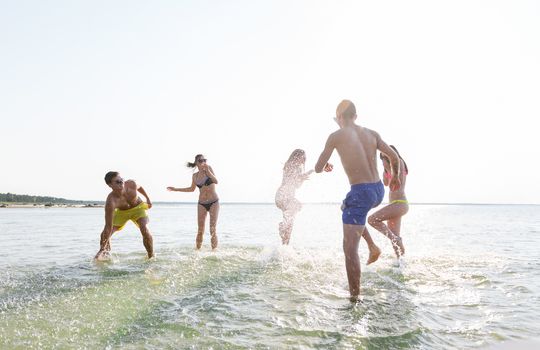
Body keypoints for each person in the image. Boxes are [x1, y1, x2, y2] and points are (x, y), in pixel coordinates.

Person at [314, 99, 403, 299]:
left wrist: (327, 165)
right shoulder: (372, 134)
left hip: (360, 192)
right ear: (355, 116)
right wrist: (395, 176)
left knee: (349, 249)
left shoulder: (335, 136)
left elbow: (319, 167)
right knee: (348, 209)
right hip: (377, 190)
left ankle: (354, 299)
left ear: (339, 118)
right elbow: (394, 157)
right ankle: (372, 247)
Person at [94, 171, 154, 261]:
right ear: (110, 185)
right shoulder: (111, 201)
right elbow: (108, 226)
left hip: (138, 208)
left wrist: (148, 199)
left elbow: (140, 187)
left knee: (144, 228)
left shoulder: (132, 184)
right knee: (104, 235)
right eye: (117, 182)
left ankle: (151, 256)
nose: (121, 183)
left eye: (121, 180)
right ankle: (104, 254)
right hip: (122, 213)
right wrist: (102, 247)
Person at [167, 154, 220, 250]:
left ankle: (214, 252)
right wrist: (176, 189)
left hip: (214, 202)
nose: (203, 162)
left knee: (212, 229)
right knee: (200, 230)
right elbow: (191, 189)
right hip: (202, 203)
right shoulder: (195, 176)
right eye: (200, 160)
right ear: (196, 163)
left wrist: (208, 171)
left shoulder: (209, 169)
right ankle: (197, 251)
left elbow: (216, 181)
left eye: (204, 160)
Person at [368, 145, 409, 257]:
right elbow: (386, 183)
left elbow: (396, 175)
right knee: (395, 240)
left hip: (400, 203)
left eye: (385, 155)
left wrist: (389, 165)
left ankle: (395, 239)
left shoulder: (399, 162)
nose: (384, 158)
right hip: (394, 205)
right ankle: (400, 263)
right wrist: (385, 169)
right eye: (382, 157)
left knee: (372, 220)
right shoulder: (389, 168)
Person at [275, 149, 314, 245]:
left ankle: (284, 247)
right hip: (284, 195)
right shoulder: (291, 166)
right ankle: (282, 227)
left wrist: (302, 178)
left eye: (304, 158)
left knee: (290, 224)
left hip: (284, 196)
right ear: (296, 156)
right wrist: (302, 176)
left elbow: (296, 185)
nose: (304, 160)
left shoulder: (290, 166)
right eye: (303, 157)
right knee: (296, 207)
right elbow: (291, 180)